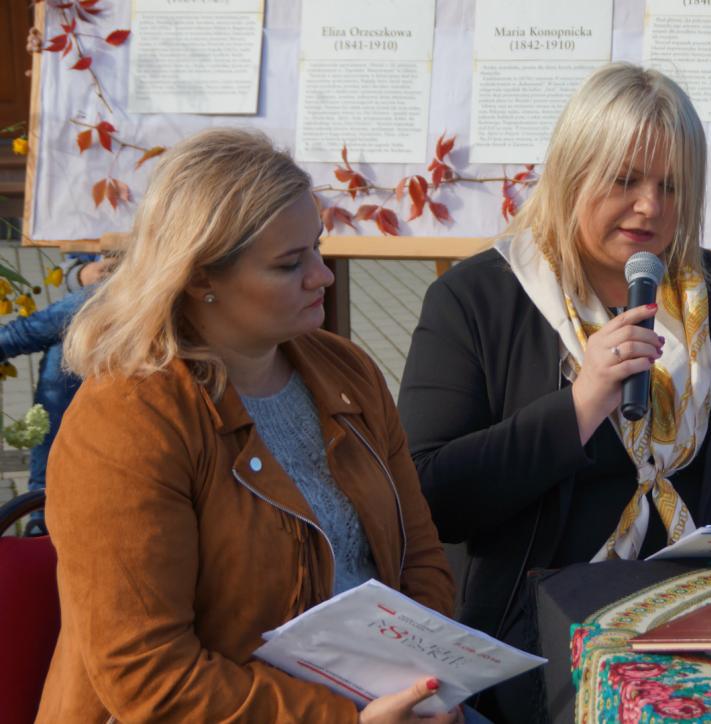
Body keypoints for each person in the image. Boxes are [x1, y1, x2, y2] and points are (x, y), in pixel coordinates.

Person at [399, 62, 711, 722]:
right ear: (573, 173)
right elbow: (430, 496)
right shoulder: (476, 299)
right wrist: (579, 406)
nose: (650, 206)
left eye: (671, 186)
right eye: (625, 180)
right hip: (542, 629)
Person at [39, 128, 461, 723]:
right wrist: (346, 718)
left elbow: (419, 556)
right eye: (290, 264)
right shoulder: (128, 419)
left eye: (317, 247)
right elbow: (148, 676)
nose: (323, 276)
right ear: (200, 277)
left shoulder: (346, 371)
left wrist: (423, 686)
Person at [1, 256, 113, 536]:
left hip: (140, 311)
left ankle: (41, 513)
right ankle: (43, 514)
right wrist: (83, 273)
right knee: (68, 341)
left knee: (101, 299)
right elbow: (67, 268)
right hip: (91, 328)